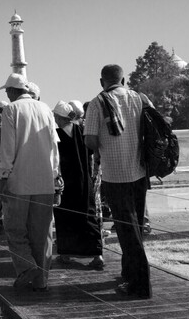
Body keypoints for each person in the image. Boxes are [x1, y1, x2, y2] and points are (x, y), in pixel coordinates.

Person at [84, 64, 152, 299]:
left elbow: (90, 140)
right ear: (123, 79)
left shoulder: (98, 102)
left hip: (115, 173)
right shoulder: (140, 98)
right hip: (140, 170)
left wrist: (105, 143)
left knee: (126, 229)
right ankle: (129, 272)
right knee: (135, 227)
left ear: (101, 80)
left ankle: (140, 282)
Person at [0, 73, 60, 292]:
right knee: (42, 233)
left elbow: (8, 148)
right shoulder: (45, 109)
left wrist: (4, 176)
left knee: (15, 229)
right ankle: (41, 280)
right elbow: (54, 147)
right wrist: (54, 175)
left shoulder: (11, 109)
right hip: (45, 181)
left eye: (7, 90)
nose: (6, 93)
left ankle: (26, 267)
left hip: (19, 180)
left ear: (13, 91)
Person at [53, 101, 104, 268]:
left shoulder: (56, 134)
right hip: (84, 181)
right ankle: (97, 254)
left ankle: (66, 253)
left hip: (66, 183)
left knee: (65, 217)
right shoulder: (81, 131)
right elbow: (91, 151)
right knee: (88, 216)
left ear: (59, 117)